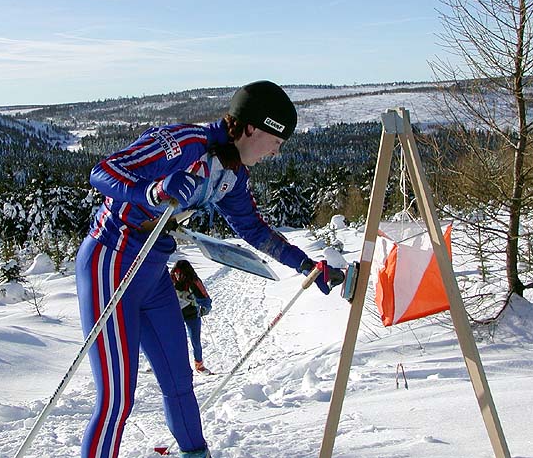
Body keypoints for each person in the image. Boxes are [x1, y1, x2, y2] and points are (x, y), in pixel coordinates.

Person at [75, 80, 344, 458]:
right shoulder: (184, 144)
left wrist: (305, 264)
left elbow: (253, 229)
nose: (275, 152)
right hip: (112, 262)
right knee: (117, 398)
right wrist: (152, 190)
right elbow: (104, 171)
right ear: (251, 128)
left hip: (153, 272)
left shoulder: (231, 173)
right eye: (275, 141)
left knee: (179, 382)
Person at [171, 259, 213, 375]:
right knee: (173, 340)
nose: (178, 276)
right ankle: (169, 364)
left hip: (192, 315)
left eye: (180, 273)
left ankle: (199, 365)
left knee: (195, 341)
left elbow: (205, 298)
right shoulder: (170, 279)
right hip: (175, 315)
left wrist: (204, 310)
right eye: (176, 272)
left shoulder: (194, 281)